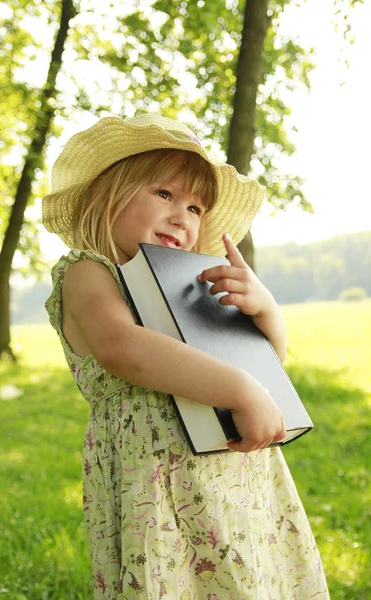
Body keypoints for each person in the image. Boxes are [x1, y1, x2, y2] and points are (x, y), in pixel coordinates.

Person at [43, 114, 329, 599]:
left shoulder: (191, 285)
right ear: (103, 196)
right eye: (164, 194)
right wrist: (239, 390)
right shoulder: (88, 272)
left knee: (248, 577)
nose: (183, 216)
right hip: (157, 480)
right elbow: (122, 348)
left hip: (234, 474)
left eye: (196, 207)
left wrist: (265, 311)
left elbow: (260, 363)